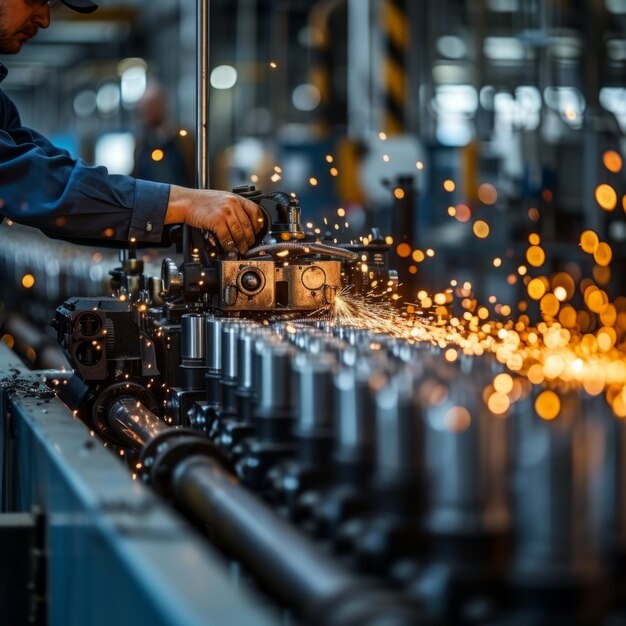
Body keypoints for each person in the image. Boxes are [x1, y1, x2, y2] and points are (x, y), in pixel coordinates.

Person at [0, 0, 263, 255]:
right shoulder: (142, 143)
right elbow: (35, 182)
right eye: (33, 0)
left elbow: (55, 171)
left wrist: (185, 220)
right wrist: (187, 204)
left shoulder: (181, 141)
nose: (45, 19)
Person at [132, 81, 196, 188]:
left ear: (162, 105)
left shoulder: (182, 138)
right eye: (144, 108)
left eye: (151, 106)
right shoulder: (141, 142)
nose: (147, 112)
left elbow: (191, 171)